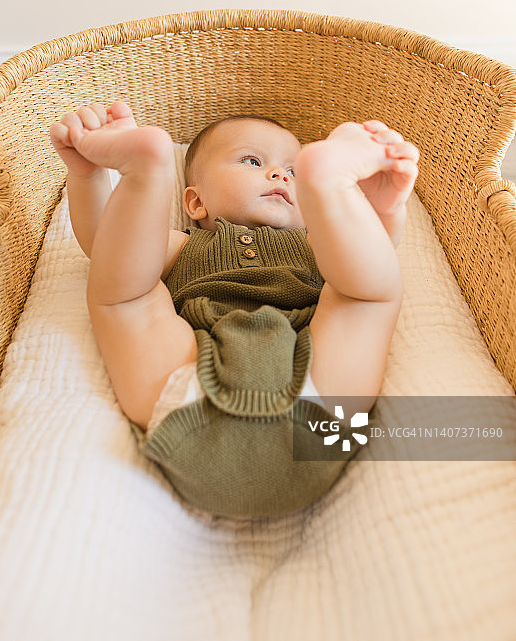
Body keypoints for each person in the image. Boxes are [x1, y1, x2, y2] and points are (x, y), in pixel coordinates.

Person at [49, 101, 419, 518]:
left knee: (360, 289)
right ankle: (144, 173)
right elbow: (108, 245)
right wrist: (88, 175)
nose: (279, 174)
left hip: (308, 388)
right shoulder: (182, 243)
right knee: (128, 291)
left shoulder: (318, 244)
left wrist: (378, 210)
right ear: (195, 203)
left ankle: (335, 187)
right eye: (252, 161)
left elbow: (372, 255)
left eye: (295, 172)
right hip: (217, 381)